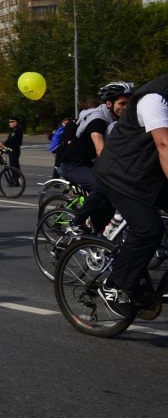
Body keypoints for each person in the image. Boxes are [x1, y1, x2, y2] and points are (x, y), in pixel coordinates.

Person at [93, 74, 168, 314]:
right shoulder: (154, 99)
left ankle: (142, 273)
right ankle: (115, 285)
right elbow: (164, 145)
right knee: (149, 228)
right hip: (121, 175)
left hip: (147, 176)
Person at [61, 82, 134, 237]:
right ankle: (75, 223)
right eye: (122, 103)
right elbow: (101, 149)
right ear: (109, 103)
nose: (126, 107)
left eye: (128, 103)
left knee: (107, 203)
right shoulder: (97, 120)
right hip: (72, 164)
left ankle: (98, 238)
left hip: (89, 164)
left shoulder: (116, 119)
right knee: (100, 186)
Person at [5, 116, 24, 183]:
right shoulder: (16, 129)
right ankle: (16, 179)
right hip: (14, 149)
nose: (9, 123)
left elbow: (11, 140)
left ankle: (16, 180)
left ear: (15, 122)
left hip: (14, 149)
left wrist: (3, 145)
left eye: (11, 122)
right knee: (14, 165)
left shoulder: (17, 130)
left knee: (14, 165)